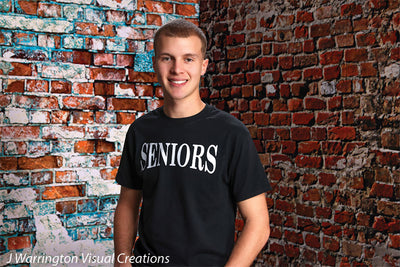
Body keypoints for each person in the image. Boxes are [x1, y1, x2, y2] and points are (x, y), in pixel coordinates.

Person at [114, 19, 271, 267]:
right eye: (167, 58)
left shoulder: (231, 134)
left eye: (188, 59)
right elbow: (128, 204)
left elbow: (258, 224)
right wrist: (122, 263)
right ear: (156, 64)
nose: (177, 69)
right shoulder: (140, 131)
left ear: (203, 66)